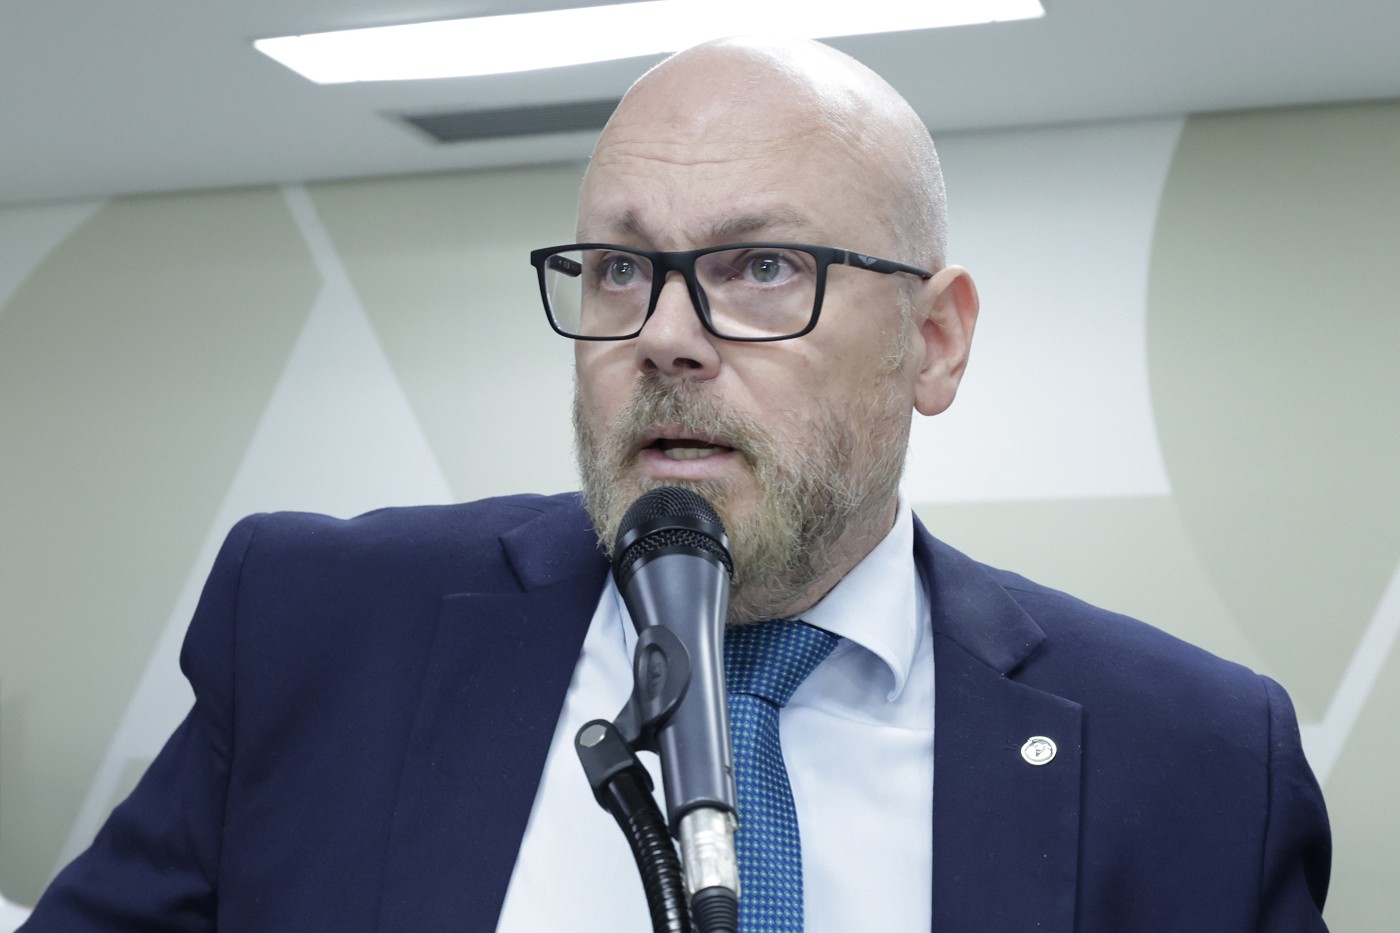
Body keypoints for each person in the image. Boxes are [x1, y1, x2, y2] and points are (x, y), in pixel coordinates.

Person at [21, 36, 1329, 932]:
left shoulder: (1197, 762)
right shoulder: (320, 630)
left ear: (933, 342)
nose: (664, 333)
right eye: (619, 269)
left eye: (763, 267)